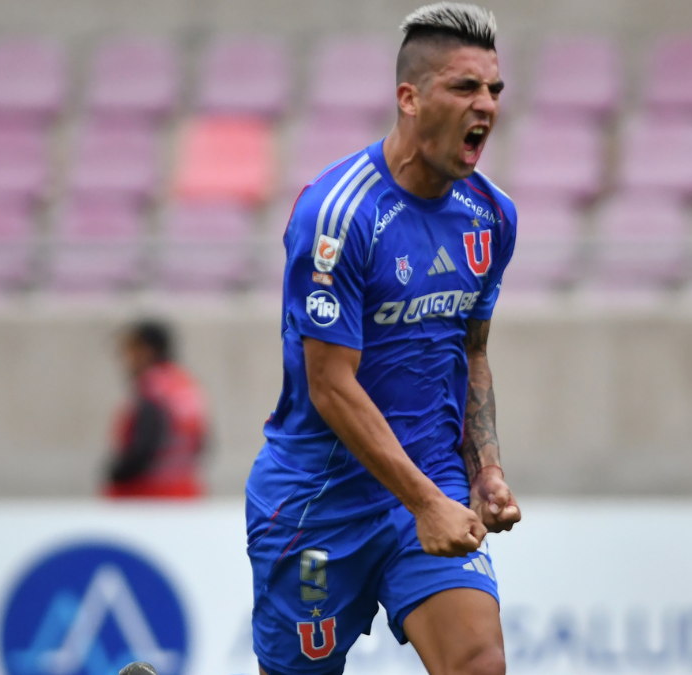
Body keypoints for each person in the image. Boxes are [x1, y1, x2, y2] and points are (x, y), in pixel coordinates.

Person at [242, 4, 520, 675]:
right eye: (465, 87)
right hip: (318, 505)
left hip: (430, 479)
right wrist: (424, 501)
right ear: (410, 97)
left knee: (478, 664)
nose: (485, 104)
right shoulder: (340, 214)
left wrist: (483, 469)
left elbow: (472, 349)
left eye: (494, 90)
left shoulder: (491, 215)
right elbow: (330, 383)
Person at [104, 319, 208, 499]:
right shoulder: (187, 385)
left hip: (147, 498)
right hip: (184, 493)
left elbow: (143, 450)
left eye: (129, 350)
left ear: (146, 350)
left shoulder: (152, 390)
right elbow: (202, 444)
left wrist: (114, 474)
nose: (125, 359)